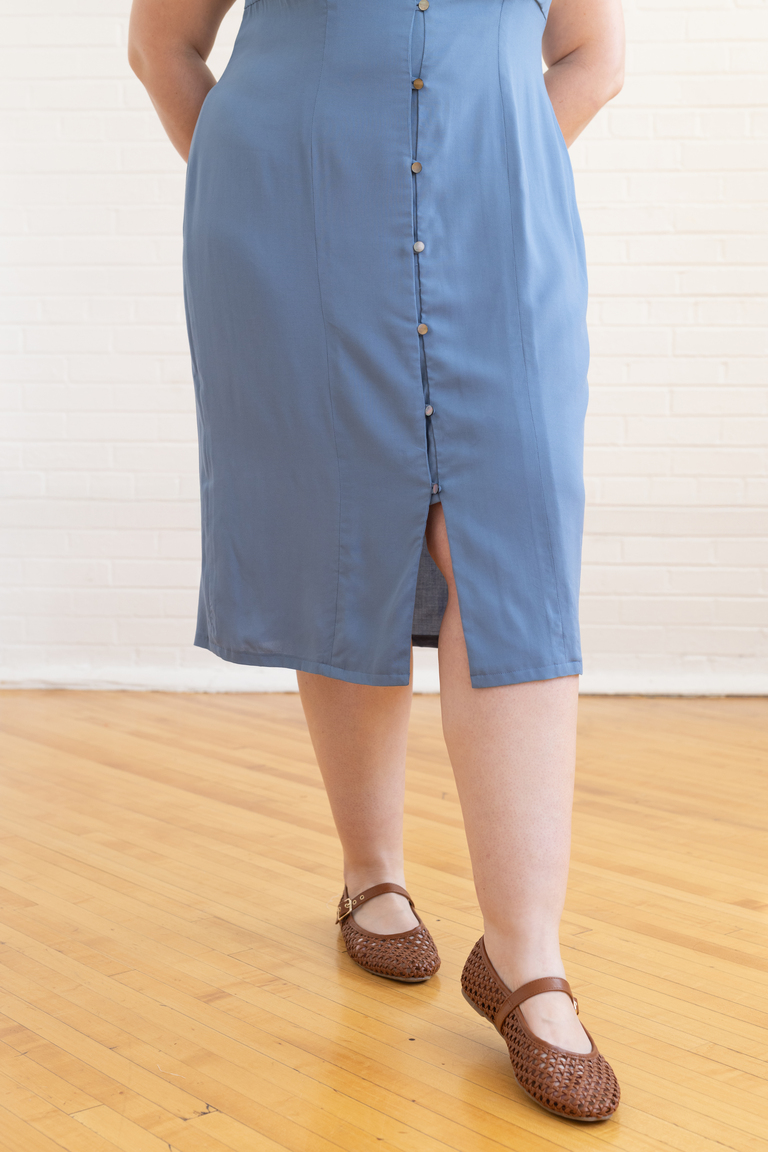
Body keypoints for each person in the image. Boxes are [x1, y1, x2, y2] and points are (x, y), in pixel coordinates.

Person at [129, 0, 625, 1122]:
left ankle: (526, 960)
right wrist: (268, 194)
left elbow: (592, 57)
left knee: (515, 554)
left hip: (499, 231)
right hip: (296, 240)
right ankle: (371, 873)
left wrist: (469, 174)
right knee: (343, 533)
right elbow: (162, 45)